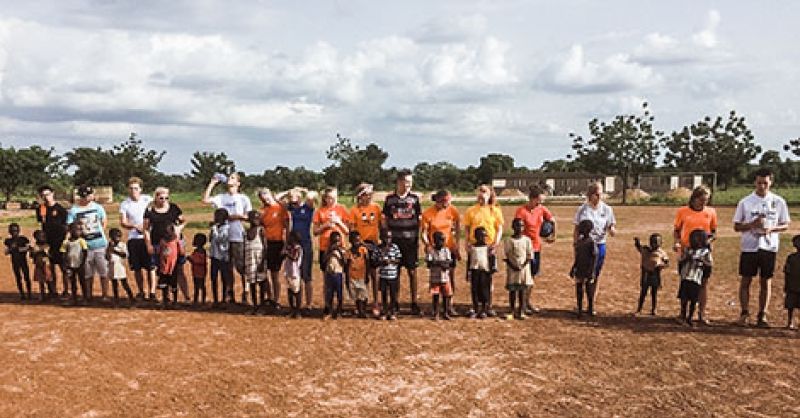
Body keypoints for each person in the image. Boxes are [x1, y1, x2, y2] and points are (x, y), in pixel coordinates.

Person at [733, 168, 790, 328]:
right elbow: (736, 226)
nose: (762, 186)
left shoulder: (779, 201)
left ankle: (762, 314)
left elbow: (785, 224)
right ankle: (744, 313)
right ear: (754, 182)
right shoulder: (745, 202)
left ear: (770, 182)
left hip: (769, 246)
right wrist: (752, 224)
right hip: (749, 246)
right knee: (746, 280)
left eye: (765, 183)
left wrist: (772, 230)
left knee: (766, 281)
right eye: (759, 183)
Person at [202, 173, 252, 303]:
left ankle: (245, 291)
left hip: (237, 235)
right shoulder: (221, 197)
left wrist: (236, 216)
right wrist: (212, 183)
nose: (230, 179)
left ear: (238, 183)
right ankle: (230, 293)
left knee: (241, 266)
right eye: (229, 177)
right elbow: (205, 200)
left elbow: (249, 216)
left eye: (233, 178)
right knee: (226, 267)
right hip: (223, 237)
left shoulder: (243, 198)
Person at [673, 185, 717, 324]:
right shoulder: (683, 211)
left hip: (703, 252)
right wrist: (677, 243)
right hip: (687, 250)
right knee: (686, 282)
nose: (703, 203)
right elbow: (677, 230)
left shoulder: (711, 212)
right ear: (694, 198)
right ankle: (683, 313)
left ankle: (701, 313)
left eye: (706, 200)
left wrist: (706, 242)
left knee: (703, 283)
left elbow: (714, 232)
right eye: (701, 200)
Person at [382, 169, 423, 315]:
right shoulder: (389, 199)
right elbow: (385, 219)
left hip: (410, 241)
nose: (408, 185)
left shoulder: (414, 199)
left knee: (412, 271)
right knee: (395, 272)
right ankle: (395, 302)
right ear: (398, 182)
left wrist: (418, 237)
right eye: (406, 182)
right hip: (395, 241)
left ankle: (414, 302)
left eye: (410, 182)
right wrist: (387, 237)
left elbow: (419, 219)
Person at [572, 182, 616, 314]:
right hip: (584, 245)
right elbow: (576, 228)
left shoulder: (607, 209)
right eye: (597, 194)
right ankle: (580, 306)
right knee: (580, 275)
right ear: (590, 195)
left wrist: (612, 230)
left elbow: (610, 224)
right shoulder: (582, 209)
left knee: (594, 274)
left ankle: (591, 304)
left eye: (601, 194)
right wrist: (576, 245)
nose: (600, 196)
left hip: (599, 244)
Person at [463, 184, 504, 317]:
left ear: (490, 194)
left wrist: (496, 243)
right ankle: (475, 306)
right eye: (480, 191)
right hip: (475, 248)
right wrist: (467, 242)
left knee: (488, 278)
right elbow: (467, 229)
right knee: (475, 278)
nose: (481, 194)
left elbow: (499, 228)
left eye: (484, 191)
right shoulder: (471, 210)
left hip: (489, 248)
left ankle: (488, 305)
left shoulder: (495, 210)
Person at [514, 185, 555, 314]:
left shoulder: (541, 209)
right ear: (532, 199)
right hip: (524, 248)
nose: (540, 203)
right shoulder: (521, 211)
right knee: (523, 276)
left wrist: (552, 235)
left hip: (536, 247)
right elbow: (516, 227)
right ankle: (522, 304)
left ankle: (527, 302)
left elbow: (552, 220)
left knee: (532, 276)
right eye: (538, 200)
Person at [144, 187, 188, 302]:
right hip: (158, 244)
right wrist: (148, 244)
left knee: (178, 269)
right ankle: (165, 296)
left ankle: (186, 296)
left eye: (166, 197)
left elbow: (184, 220)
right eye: (161, 197)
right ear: (156, 197)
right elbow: (146, 229)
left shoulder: (173, 208)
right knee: (162, 270)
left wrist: (178, 229)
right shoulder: (150, 210)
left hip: (173, 243)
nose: (164, 200)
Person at [420, 190, 461, 316]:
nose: (447, 204)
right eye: (445, 201)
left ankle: (449, 305)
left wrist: (456, 244)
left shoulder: (452, 210)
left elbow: (458, 227)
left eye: (448, 201)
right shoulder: (428, 213)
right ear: (438, 200)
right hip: (435, 250)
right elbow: (423, 233)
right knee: (436, 279)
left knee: (450, 277)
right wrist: (428, 245)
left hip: (449, 248)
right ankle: (436, 307)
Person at [66, 185, 109, 301]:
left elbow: (104, 221)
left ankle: (105, 295)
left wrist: (98, 232)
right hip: (84, 246)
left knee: (103, 271)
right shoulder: (74, 210)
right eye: (85, 196)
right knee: (87, 273)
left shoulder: (98, 207)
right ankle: (88, 295)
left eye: (89, 195)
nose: (88, 198)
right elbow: (70, 226)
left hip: (99, 243)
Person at [349, 183, 382, 316]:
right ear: (360, 196)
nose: (368, 197)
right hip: (360, 245)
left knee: (375, 275)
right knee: (362, 275)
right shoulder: (354, 210)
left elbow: (381, 225)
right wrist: (357, 245)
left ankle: (375, 302)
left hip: (373, 244)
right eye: (365, 195)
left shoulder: (376, 208)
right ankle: (362, 301)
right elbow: (352, 229)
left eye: (370, 194)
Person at [119, 177, 154, 301]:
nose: (134, 191)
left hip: (148, 237)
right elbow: (123, 222)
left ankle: (152, 292)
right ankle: (141, 291)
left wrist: (147, 228)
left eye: (136, 188)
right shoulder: (125, 204)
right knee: (137, 268)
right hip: (134, 238)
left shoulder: (148, 200)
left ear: (141, 189)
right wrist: (135, 226)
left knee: (151, 267)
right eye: (131, 188)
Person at [259, 188, 290, 310]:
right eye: (261, 196)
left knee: (275, 273)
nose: (264, 198)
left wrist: (286, 244)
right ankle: (269, 296)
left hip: (278, 242)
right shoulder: (263, 210)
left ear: (271, 194)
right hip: (266, 243)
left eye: (266, 194)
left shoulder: (281, 208)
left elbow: (287, 227)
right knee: (263, 273)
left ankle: (276, 299)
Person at [286, 188, 316, 310]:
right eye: (291, 196)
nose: (293, 198)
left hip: (306, 244)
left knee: (306, 275)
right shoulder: (292, 209)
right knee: (293, 274)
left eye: (295, 196)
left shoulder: (307, 208)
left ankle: (308, 304)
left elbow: (313, 197)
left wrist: (303, 191)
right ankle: (296, 304)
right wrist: (290, 191)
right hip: (293, 245)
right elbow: (276, 199)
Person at [35, 185, 68, 297]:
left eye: (48, 194)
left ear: (53, 194)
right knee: (49, 267)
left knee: (64, 267)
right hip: (48, 242)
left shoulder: (61, 209)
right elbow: (42, 224)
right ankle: (52, 291)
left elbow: (65, 225)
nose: (46, 197)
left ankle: (66, 290)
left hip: (60, 241)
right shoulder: (41, 209)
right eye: (43, 195)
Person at [678, 230, 712, 327]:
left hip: (696, 278)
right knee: (684, 298)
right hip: (686, 277)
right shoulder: (687, 249)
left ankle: (690, 317)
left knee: (693, 300)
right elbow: (680, 260)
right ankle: (683, 315)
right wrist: (686, 258)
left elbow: (709, 264)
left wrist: (702, 261)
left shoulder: (705, 252)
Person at [313, 187, 349, 277]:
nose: (331, 200)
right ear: (325, 198)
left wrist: (338, 222)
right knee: (326, 275)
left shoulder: (342, 209)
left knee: (340, 274)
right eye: (329, 198)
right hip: (325, 247)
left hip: (340, 246)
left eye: (334, 198)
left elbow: (347, 231)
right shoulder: (320, 211)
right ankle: (327, 291)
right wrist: (325, 225)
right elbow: (315, 231)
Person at [504, 218, 533, 320]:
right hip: (512, 269)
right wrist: (513, 266)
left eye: (521, 226)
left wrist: (522, 265)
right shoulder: (508, 240)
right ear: (513, 227)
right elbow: (507, 256)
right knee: (512, 291)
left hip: (523, 270)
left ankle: (521, 310)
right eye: (517, 226)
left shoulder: (527, 240)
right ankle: (511, 310)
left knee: (522, 291)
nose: (519, 228)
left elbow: (529, 256)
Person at [633, 234, 669, 316]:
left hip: (655, 274)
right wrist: (637, 242)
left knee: (654, 293)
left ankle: (654, 309)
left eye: (657, 242)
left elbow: (667, 263)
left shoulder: (661, 253)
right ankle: (639, 309)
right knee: (643, 292)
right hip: (645, 273)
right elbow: (639, 248)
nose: (655, 244)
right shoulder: (645, 250)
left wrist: (661, 265)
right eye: (653, 242)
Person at [571, 220, 597, 318]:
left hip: (587, 269)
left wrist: (592, 271)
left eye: (582, 228)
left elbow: (594, 257)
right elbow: (577, 257)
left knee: (589, 289)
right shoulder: (580, 242)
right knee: (579, 288)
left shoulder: (591, 242)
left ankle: (590, 308)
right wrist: (573, 267)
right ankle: (580, 308)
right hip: (580, 268)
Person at [426, 231, 453, 321]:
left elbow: (448, 263)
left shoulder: (446, 250)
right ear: (435, 241)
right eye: (440, 240)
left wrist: (437, 263)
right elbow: (429, 264)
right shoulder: (431, 251)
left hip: (445, 278)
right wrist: (441, 263)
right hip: (435, 278)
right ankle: (436, 312)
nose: (442, 242)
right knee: (436, 296)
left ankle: (445, 312)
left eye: (443, 240)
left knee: (446, 296)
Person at [467, 226, 493, 319]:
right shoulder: (472, 248)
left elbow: (491, 260)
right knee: (475, 291)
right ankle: (475, 309)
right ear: (475, 236)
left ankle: (484, 310)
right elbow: (469, 260)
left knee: (485, 291)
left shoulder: (488, 248)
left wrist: (491, 270)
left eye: (484, 236)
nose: (482, 238)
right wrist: (468, 272)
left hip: (485, 272)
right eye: (480, 236)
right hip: (475, 271)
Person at [244, 210, 267, 315]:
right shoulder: (247, 232)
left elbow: (265, 247)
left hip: (259, 258)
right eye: (254, 218)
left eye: (258, 218)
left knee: (261, 282)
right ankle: (254, 305)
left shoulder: (261, 230)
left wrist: (262, 262)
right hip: (250, 259)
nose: (256, 220)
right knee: (252, 282)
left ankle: (262, 306)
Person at [60, 222, 88, 305]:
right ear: (70, 231)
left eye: (80, 230)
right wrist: (65, 264)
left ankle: (85, 298)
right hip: (70, 265)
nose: (78, 232)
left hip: (80, 265)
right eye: (76, 230)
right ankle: (74, 298)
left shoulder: (81, 241)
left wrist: (82, 263)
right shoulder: (66, 242)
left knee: (82, 282)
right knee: (73, 282)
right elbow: (63, 253)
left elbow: (85, 252)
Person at [209, 208, 232, 306]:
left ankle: (223, 299)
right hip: (214, 256)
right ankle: (215, 299)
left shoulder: (227, 228)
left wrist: (214, 229)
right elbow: (211, 239)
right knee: (213, 278)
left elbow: (220, 240)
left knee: (224, 279)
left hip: (223, 257)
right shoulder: (216, 227)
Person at [106, 228, 135, 308]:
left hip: (120, 267)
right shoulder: (109, 246)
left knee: (124, 283)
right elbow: (107, 257)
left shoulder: (122, 245)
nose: (117, 239)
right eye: (115, 237)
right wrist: (109, 249)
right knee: (114, 285)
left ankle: (131, 297)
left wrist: (114, 250)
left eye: (118, 237)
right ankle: (116, 299)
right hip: (112, 267)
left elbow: (124, 255)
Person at [157, 224, 183, 309]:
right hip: (163, 266)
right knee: (164, 285)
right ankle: (165, 301)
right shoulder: (162, 241)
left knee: (173, 284)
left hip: (173, 266)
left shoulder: (176, 240)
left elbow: (181, 252)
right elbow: (158, 252)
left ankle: (175, 301)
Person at [378, 230, 402, 320]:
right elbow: (376, 259)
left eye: (390, 237)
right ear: (381, 238)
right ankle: (384, 310)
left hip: (392, 275)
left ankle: (392, 311)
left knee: (393, 294)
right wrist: (382, 261)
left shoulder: (395, 247)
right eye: (386, 237)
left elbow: (399, 259)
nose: (388, 240)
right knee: (384, 294)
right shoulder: (379, 248)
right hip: (383, 275)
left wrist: (391, 261)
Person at [345, 230, 370, 318]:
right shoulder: (348, 253)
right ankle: (360, 310)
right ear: (351, 241)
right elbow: (347, 266)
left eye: (359, 240)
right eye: (356, 241)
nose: (358, 243)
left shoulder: (363, 250)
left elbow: (367, 263)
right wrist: (347, 279)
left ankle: (363, 310)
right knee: (356, 295)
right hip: (352, 276)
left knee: (364, 295)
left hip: (362, 276)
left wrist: (367, 275)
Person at [322, 231, 346, 319]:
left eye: (338, 241)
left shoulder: (342, 250)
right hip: (330, 273)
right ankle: (329, 310)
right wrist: (330, 252)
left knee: (339, 294)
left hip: (338, 273)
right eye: (334, 241)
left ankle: (339, 310)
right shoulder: (328, 250)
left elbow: (344, 262)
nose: (336, 244)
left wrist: (339, 252)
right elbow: (324, 261)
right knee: (329, 293)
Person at [5, 223, 31, 300]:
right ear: (10, 232)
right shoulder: (8, 241)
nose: (14, 233)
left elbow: (28, 247)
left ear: (19, 231)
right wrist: (11, 249)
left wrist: (19, 249)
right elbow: (6, 252)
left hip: (23, 261)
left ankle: (29, 293)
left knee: (26, 277)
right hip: (15, 262)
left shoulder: (23, 239)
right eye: (13, 231)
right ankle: (22, 293)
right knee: (18, 277)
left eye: (16, 231)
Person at [282, 231, 303, 318]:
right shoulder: (289, 247)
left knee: (297, 291)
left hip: (295, 272)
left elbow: (295, 258)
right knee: (290, 290)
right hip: (288, 271)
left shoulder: (298, 248)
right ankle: (292, 309)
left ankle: (297, 310)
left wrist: (287, 253)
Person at [31, 230, 56, 301]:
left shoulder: (47, 246)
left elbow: (50, 256)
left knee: (49, 280)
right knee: (40, 281)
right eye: (40, 237)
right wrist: (35, 252)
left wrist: (45, 252)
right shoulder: (35, 246)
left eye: (43, 236)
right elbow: (32, 255)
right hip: (38, 265)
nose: (42, 238)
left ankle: (51, 294)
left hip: (46, 265)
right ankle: (42, 295)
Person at [783, 235, 800, 330]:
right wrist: (786, 284)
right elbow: (787, 271)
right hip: (792, 286)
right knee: (790, 305)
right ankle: (790, 321)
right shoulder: (791, 258)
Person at [188, 233, 208, 306]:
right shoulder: (197, 250)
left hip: (200, 271)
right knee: (197, 286)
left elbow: (201, 261)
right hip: (196, 271)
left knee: (201, 286)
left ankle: (202, 300)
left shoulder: (201, 251)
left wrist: (192, 260)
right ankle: (196, 300)